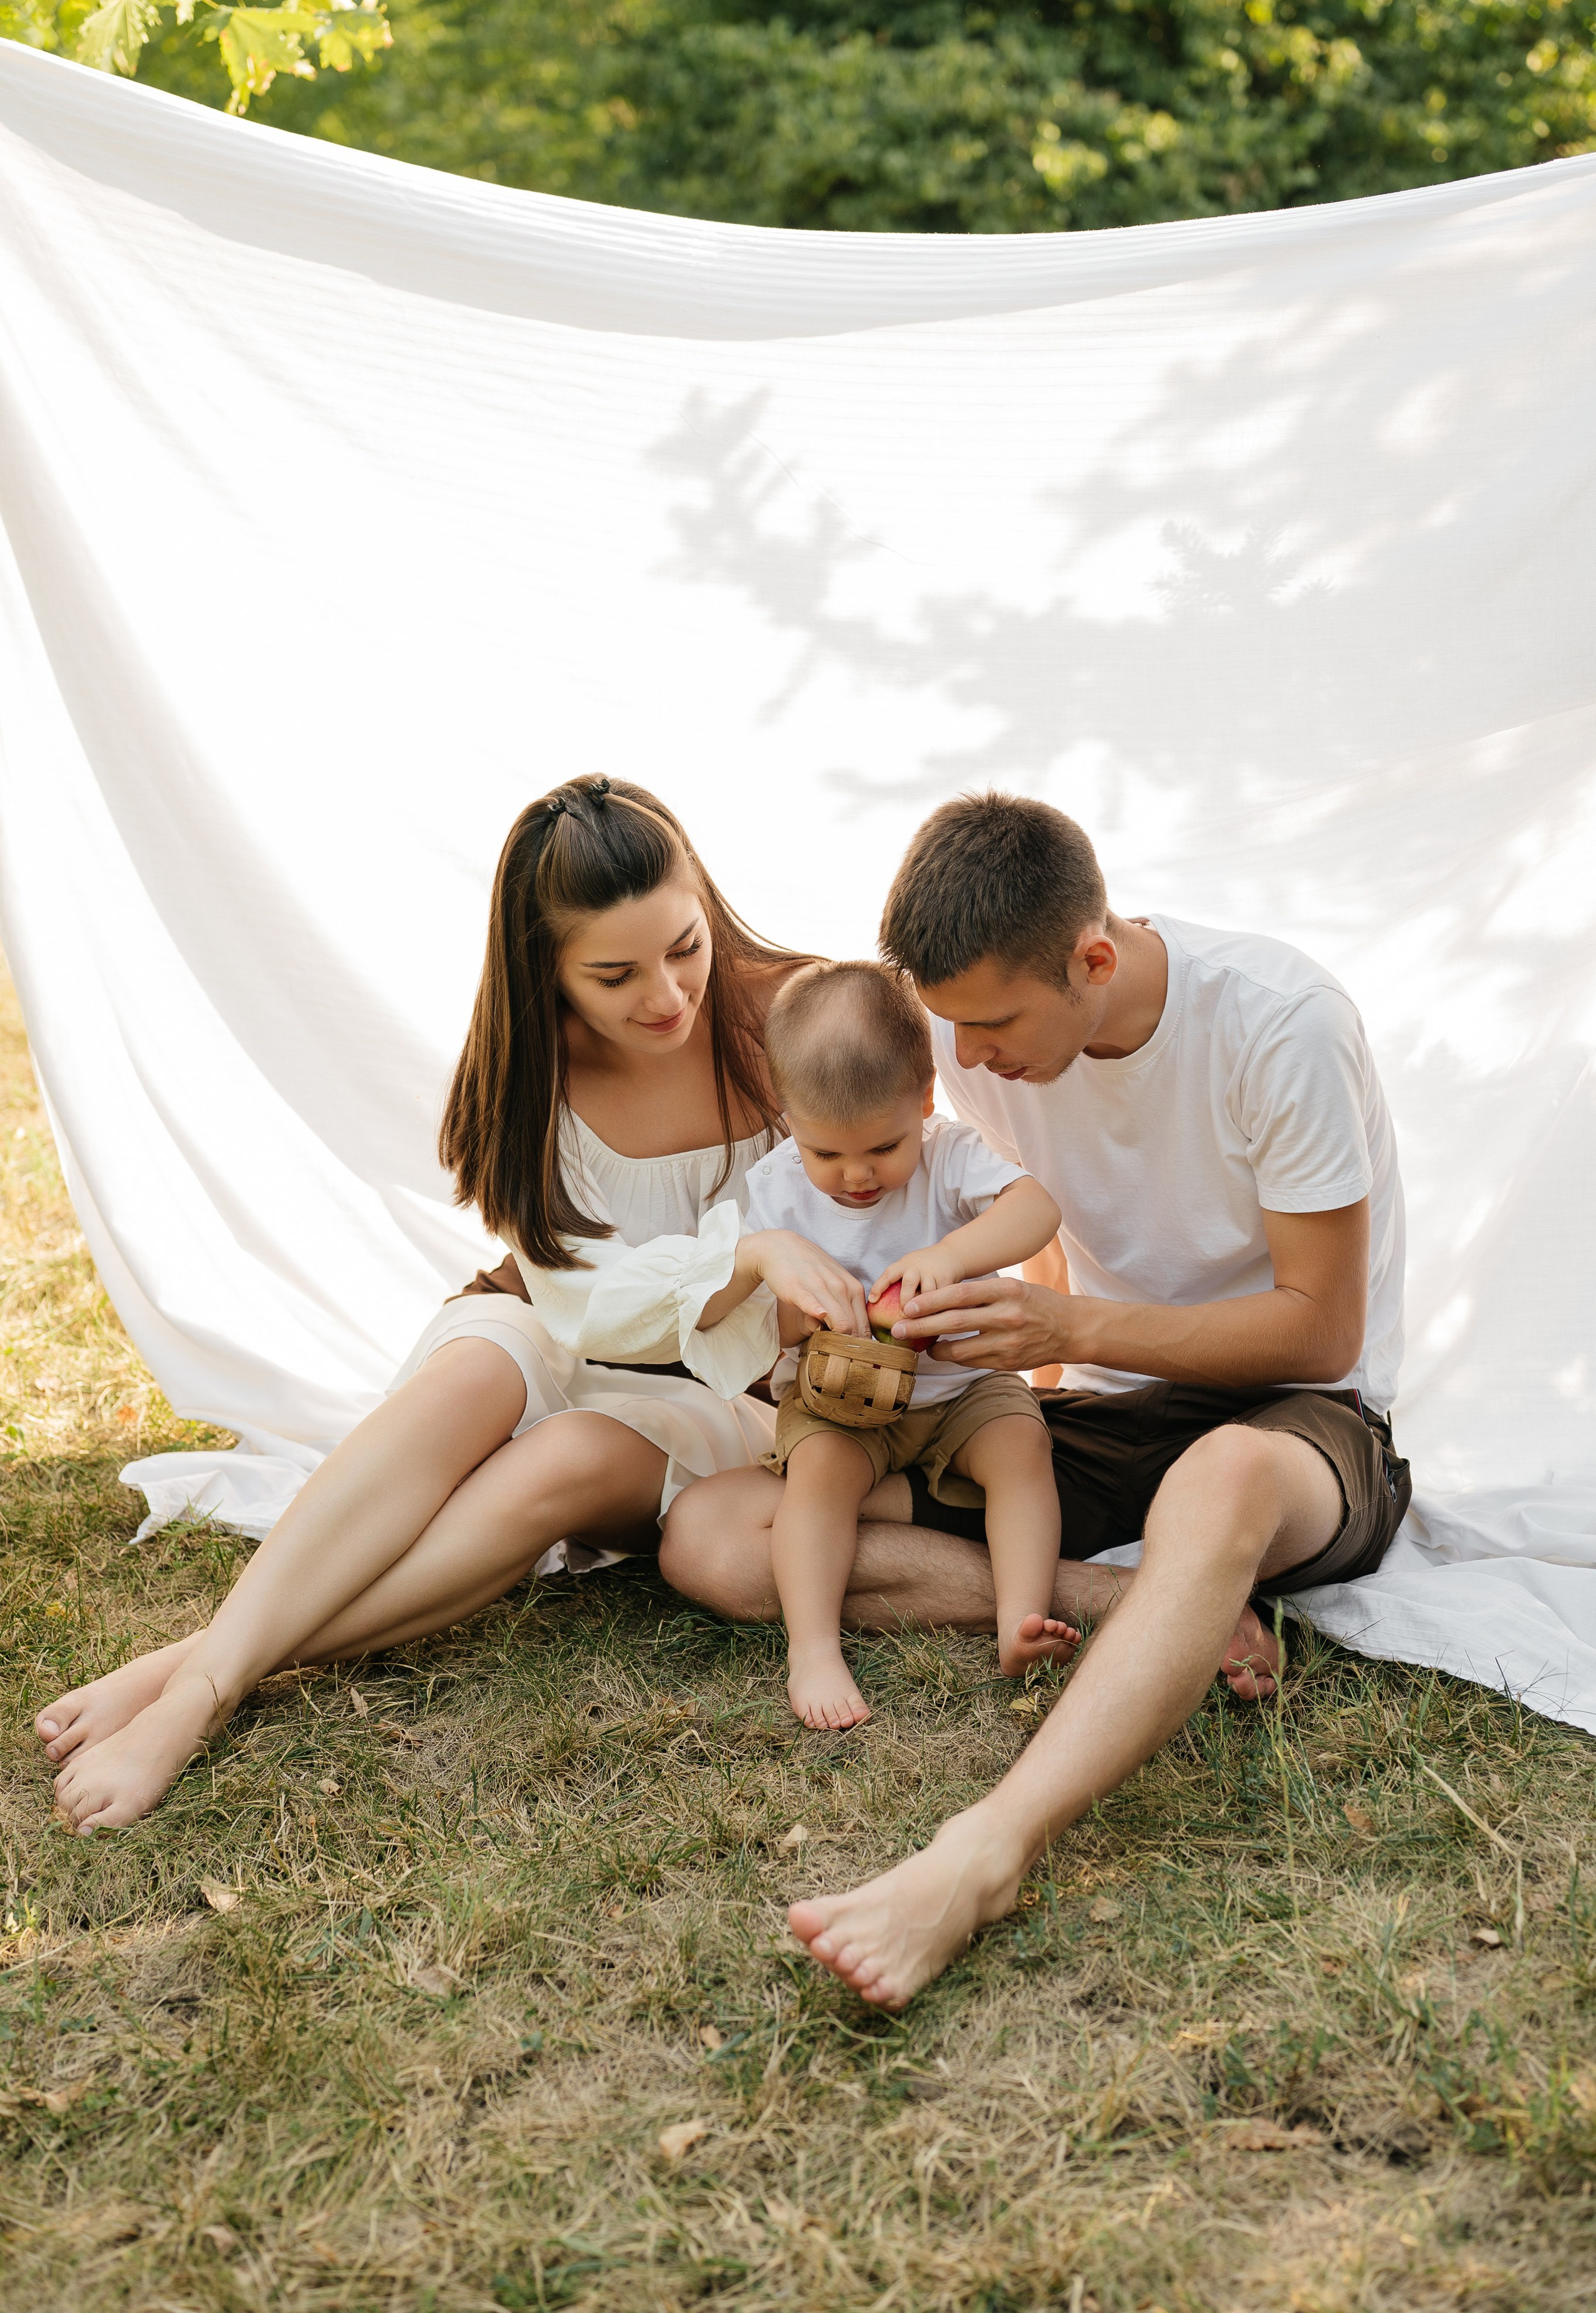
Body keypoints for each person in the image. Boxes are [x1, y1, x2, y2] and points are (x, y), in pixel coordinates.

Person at [660, 790, 1410, 2007]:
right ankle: (1129, 1596)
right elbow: (924, 1160)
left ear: (1093, 959)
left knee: (1213, 1477)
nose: (973, 1060)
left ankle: (982, 1852)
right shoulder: (969, 1036)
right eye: (952, 1030)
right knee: (715, 1531)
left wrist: (1066, 1328)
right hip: (1110, 1407)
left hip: (1296, 1418)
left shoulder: (1281, 1024)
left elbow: (1318, 1326)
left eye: (994, 1026)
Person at [37, 775, 872, 1835]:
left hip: (724, 1375)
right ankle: (204, 1683)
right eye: (614, 974)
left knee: (568, 1454)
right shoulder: (532, 1070)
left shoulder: (801, 1014)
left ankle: (194, 1674)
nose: (667, 994)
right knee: (472, 1374)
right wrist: (745, 1249)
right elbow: (588, 1309)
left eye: (686, 945)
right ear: (548, 968)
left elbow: (935, 1160)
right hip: (569, 1317)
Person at [740, 960, 1071, 1731]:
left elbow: (1038, 1211)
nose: (856, 1175)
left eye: (884, 1147)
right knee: (818, 1478)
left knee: (1023, 1447)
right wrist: (808, 1313)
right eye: (826, 1155)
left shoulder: (950, 1155)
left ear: (924, 1099)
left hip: (958, 1389)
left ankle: (1019, 1621)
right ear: (788, 1116)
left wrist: (948, 1258)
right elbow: (757, 1321)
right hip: (838, 1401)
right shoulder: (773, 1189)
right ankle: (813, 1647)